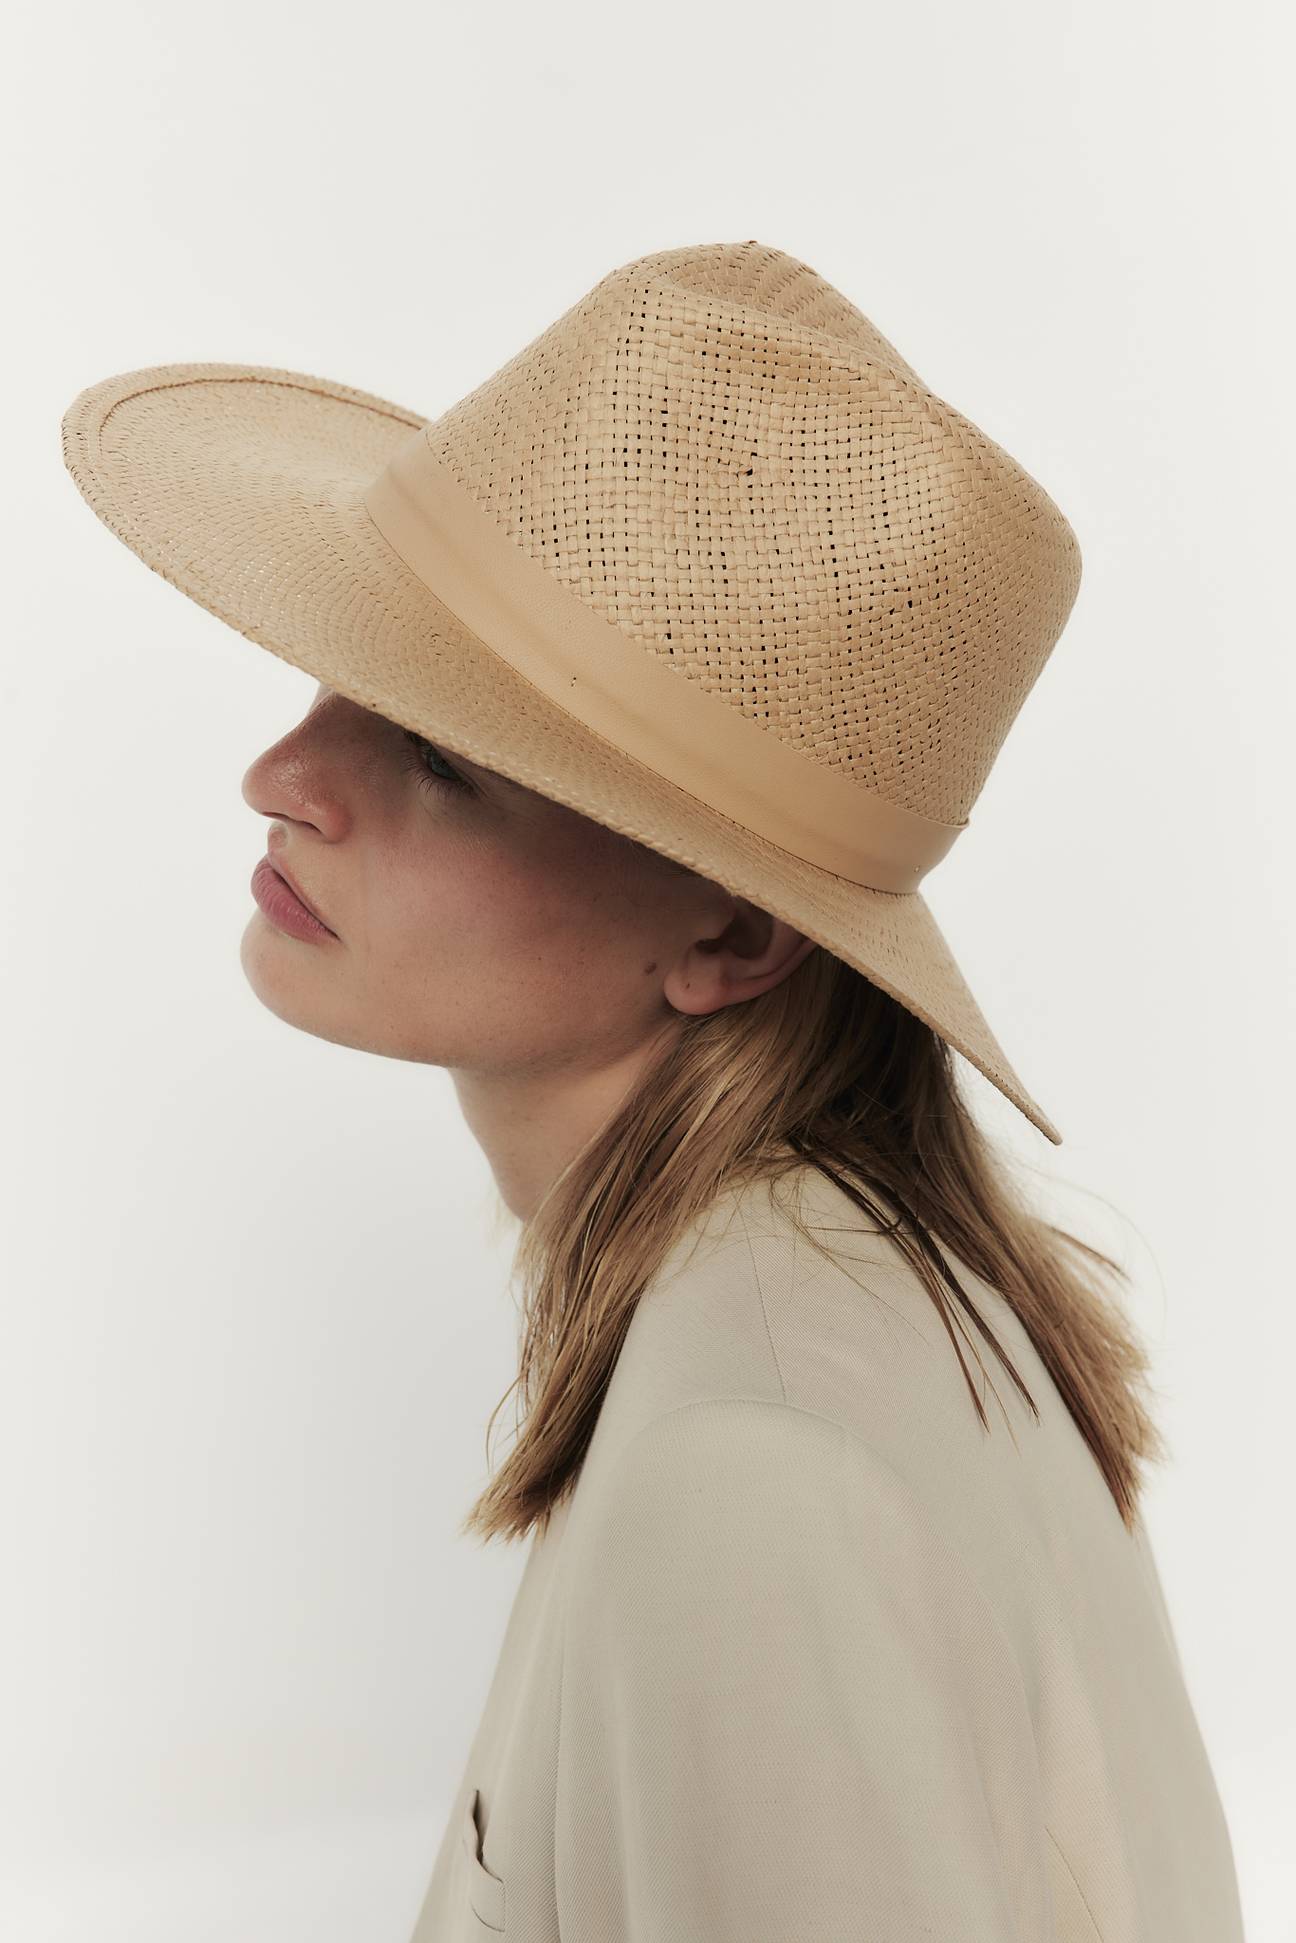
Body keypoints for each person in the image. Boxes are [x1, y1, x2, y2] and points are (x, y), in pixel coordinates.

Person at [61, 239, 1245, 1940]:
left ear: (734, 933)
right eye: (344, 684)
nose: (280, 776)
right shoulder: (847, 1299)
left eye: (442, 757)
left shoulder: (756, 1466)